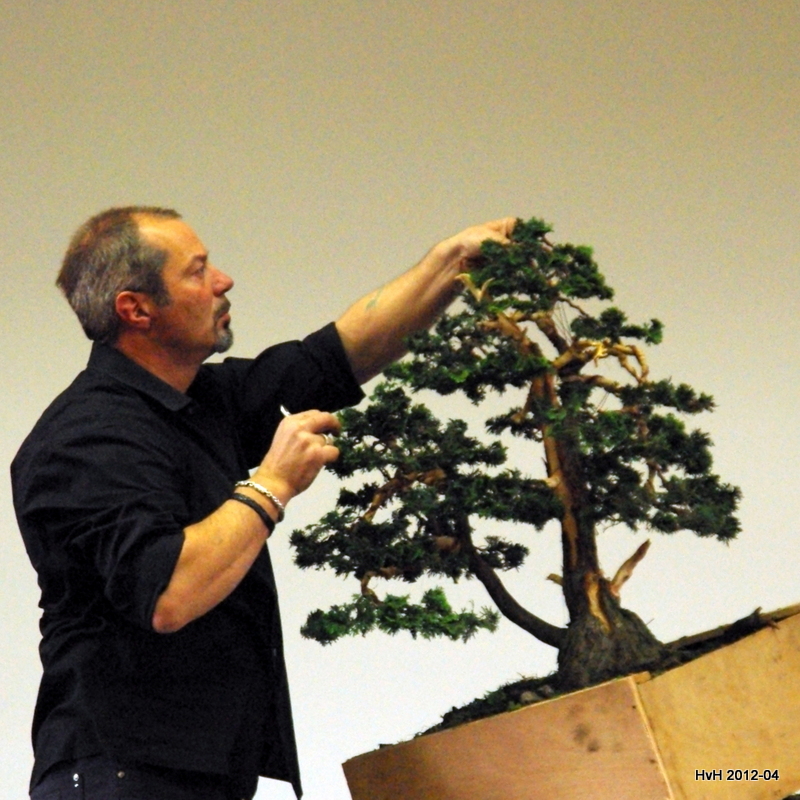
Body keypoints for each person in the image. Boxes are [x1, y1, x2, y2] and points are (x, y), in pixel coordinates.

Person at [11, 206, 514, 800]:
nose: (223, 281)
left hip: (189, 775)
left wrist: (451, 263)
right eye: (197, 271)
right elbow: (169, 592)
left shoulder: (199, 401)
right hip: (118, 777)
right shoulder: (86, 437)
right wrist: (271, 484)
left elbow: (335, 357)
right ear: (136, 309)